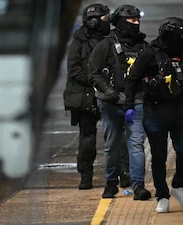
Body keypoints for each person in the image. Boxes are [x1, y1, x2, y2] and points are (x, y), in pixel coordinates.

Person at [123, 17, 183, 212]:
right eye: (182, 35)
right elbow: (132, 79)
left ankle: (178, 185)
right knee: (158, 156)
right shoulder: (149, 54)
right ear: (171, 36)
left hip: (179, 110)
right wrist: (129, 106)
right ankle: (162, 195)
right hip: (155, 112)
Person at [87, 5, 151, 200]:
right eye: (131, 21)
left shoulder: (144, 46)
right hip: (110, 103)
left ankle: (138, 185)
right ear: (121, 22)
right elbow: (93, 73)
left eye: (137, 21)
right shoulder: (105, 45)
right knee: (112, 144)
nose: (136, 24)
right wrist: (108, 91)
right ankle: (110, 183)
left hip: (136, 102)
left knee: (136, 144)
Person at [63, 3, 110, 190]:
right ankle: (86, 176)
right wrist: (97, 81)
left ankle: (121, 175)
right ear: (93, 22)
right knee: (87, 138)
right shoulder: (78, 44)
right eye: (105, 19)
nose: (108, 22)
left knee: (116, 136)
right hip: (86, 97)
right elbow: (74, 70)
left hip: (106, 94)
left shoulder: (110, 41)